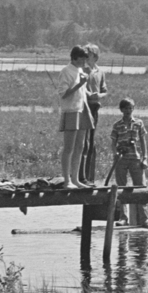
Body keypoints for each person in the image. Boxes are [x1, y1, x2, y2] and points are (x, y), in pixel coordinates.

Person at [109, 97, 148, 228]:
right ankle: (124, 218)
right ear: (121, 110)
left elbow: (143, 141)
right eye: (126, 108)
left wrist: (145, 158)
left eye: (130, 108)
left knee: (141, 189)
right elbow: (113, 142)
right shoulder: (117, 125)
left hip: (135, 159)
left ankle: (145, 219)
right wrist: (115, 153)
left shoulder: (139, 123)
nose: (128, 111)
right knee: (122, 189)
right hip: (121, 160)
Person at [57, 46, 93, 188]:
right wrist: (79, 84)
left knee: (80, 147)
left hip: (82, 109)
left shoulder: (80, 70)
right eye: (82, 58)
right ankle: (67, 181)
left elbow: (82, 92)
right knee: (69, 148)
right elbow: (63, 94)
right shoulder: (66, 71)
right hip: (70, 111)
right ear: (74, 58)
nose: (85, 61)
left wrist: (89, 91)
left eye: (86, 58)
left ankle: (76, 179)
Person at [80, 44, 107, 183]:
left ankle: (89, 176)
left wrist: (99, 96)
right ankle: (81, 176)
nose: (85, 56)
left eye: (88, 53)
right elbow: (81, 88)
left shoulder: (100, 72)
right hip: (84, 107)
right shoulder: (82, 69)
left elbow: (104, 90)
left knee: (91, 142)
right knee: (83, 142)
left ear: (95, 56)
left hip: (95, 107)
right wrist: (90, 94)